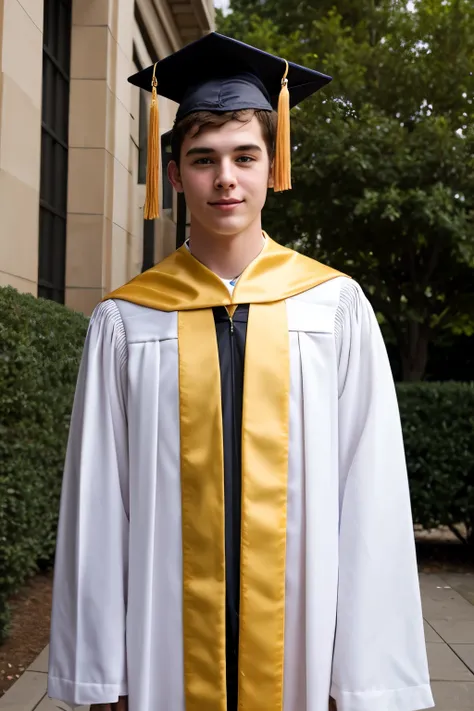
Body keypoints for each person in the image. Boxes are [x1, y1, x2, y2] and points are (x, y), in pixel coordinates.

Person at [47, 32, 434, 711]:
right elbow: (99, 503)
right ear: (173, 174)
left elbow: (367, 497)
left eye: (244, 156)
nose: (225, 177)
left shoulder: (332, 307)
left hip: (300, 656)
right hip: (163, 652)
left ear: (273, 164)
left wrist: (362, 678)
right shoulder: (127, 320)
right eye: (203, 159)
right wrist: (101, 669)